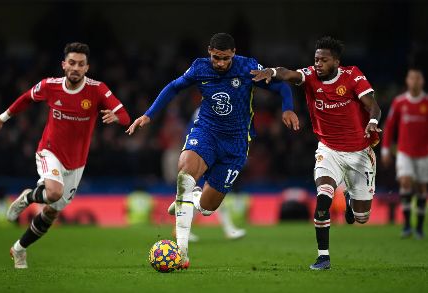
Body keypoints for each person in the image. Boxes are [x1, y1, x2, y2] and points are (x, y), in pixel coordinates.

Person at [127, 33, 299, 269]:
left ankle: (194, 199)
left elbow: (282, 87)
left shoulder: (247, 67)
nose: (220, 63)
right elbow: (173, 87)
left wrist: (287, 109)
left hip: (236, 143)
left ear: (234, 54)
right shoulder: (199, 68)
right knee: (184, 178)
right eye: (216, 58)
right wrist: (148, 115)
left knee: (208, 209)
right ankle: (182, 253)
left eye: (225, 59)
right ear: (209, 51)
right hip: (206, 132)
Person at [0, 43, 131, 269]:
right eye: (71, 63)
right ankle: (28, 198)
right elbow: (26, 98)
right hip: (49, 151)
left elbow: (125, 117)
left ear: (87, 68)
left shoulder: (97, 89)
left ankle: (19, 249)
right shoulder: (50, 86)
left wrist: (115, 116)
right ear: (64, 65)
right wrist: (1, 119)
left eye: (81, 64)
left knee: (51, 212)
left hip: (77, 162)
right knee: (53, 193)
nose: (75, 68)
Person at [251, 36, 382, 270]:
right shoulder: (310, 76)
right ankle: (323, 257)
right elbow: (288, 73)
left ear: (336, 62)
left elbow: (373, 105)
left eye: (324, 60)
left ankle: (352, 201)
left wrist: (372, 121)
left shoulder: (352, 76)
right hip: (328, 150)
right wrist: (271, 70)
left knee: (362, 218)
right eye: (316, 59)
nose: (318, 64)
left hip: (359, 152)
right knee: (323, 198)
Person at [174, 107, 246, 242]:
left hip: (203, 152)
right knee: (212, 190)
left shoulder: (209, 106)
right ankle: (229, 229)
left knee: (210, 193)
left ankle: (182, 227)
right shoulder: (210, 108)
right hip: (203, 153)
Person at [381, 69, 428, 239]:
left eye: (418, 78)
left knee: (421, 188)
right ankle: (408, 225)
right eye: (412, 78)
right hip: (404, 152)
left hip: (424, 153)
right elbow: (389, 126)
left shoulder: (426, 102)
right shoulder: (400, 102)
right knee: (405, 181)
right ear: (407, 81)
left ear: (422, 81)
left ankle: (420, 228)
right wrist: (386, 149)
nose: (415, 81)